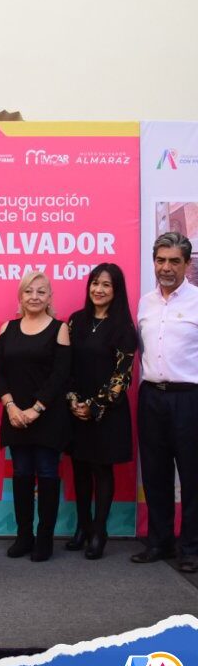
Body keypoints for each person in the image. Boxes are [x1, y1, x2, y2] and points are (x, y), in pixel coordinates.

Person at [0, 270, 71, 561]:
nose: (34, 297)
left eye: (41, 291)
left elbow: (60, 375)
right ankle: (24, 536)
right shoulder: (7, 329)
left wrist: (36, 409)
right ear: (20, 296)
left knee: (48, 474)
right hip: (15, 416)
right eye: (29, 291)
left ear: (50, 297)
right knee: (21, 474)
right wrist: (11, 407)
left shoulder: (60, 329)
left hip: (48, 417)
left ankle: (44, 539)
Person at [133, 232, 198, 571]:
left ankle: (191, 548)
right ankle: (160, 542)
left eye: (174, 261)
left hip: (189, 399)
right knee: (155, 473)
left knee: (192, 476)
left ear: (187, 264)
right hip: (151, 397)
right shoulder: (145, 303)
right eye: (160, 260)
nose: (166, 267)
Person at [65, 264, 137, 559]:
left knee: (101, 469)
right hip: (76, 408)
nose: (99, 289)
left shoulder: (124, 329)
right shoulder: (76, 321)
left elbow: (122, 377)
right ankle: (82, 527)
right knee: (79, 468)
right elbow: (66, 365)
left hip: (108, 412)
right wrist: (74, 401)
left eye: (106, 285)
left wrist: (94, 406)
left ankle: (99, 532)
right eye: (95, 283)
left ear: (116, 290)